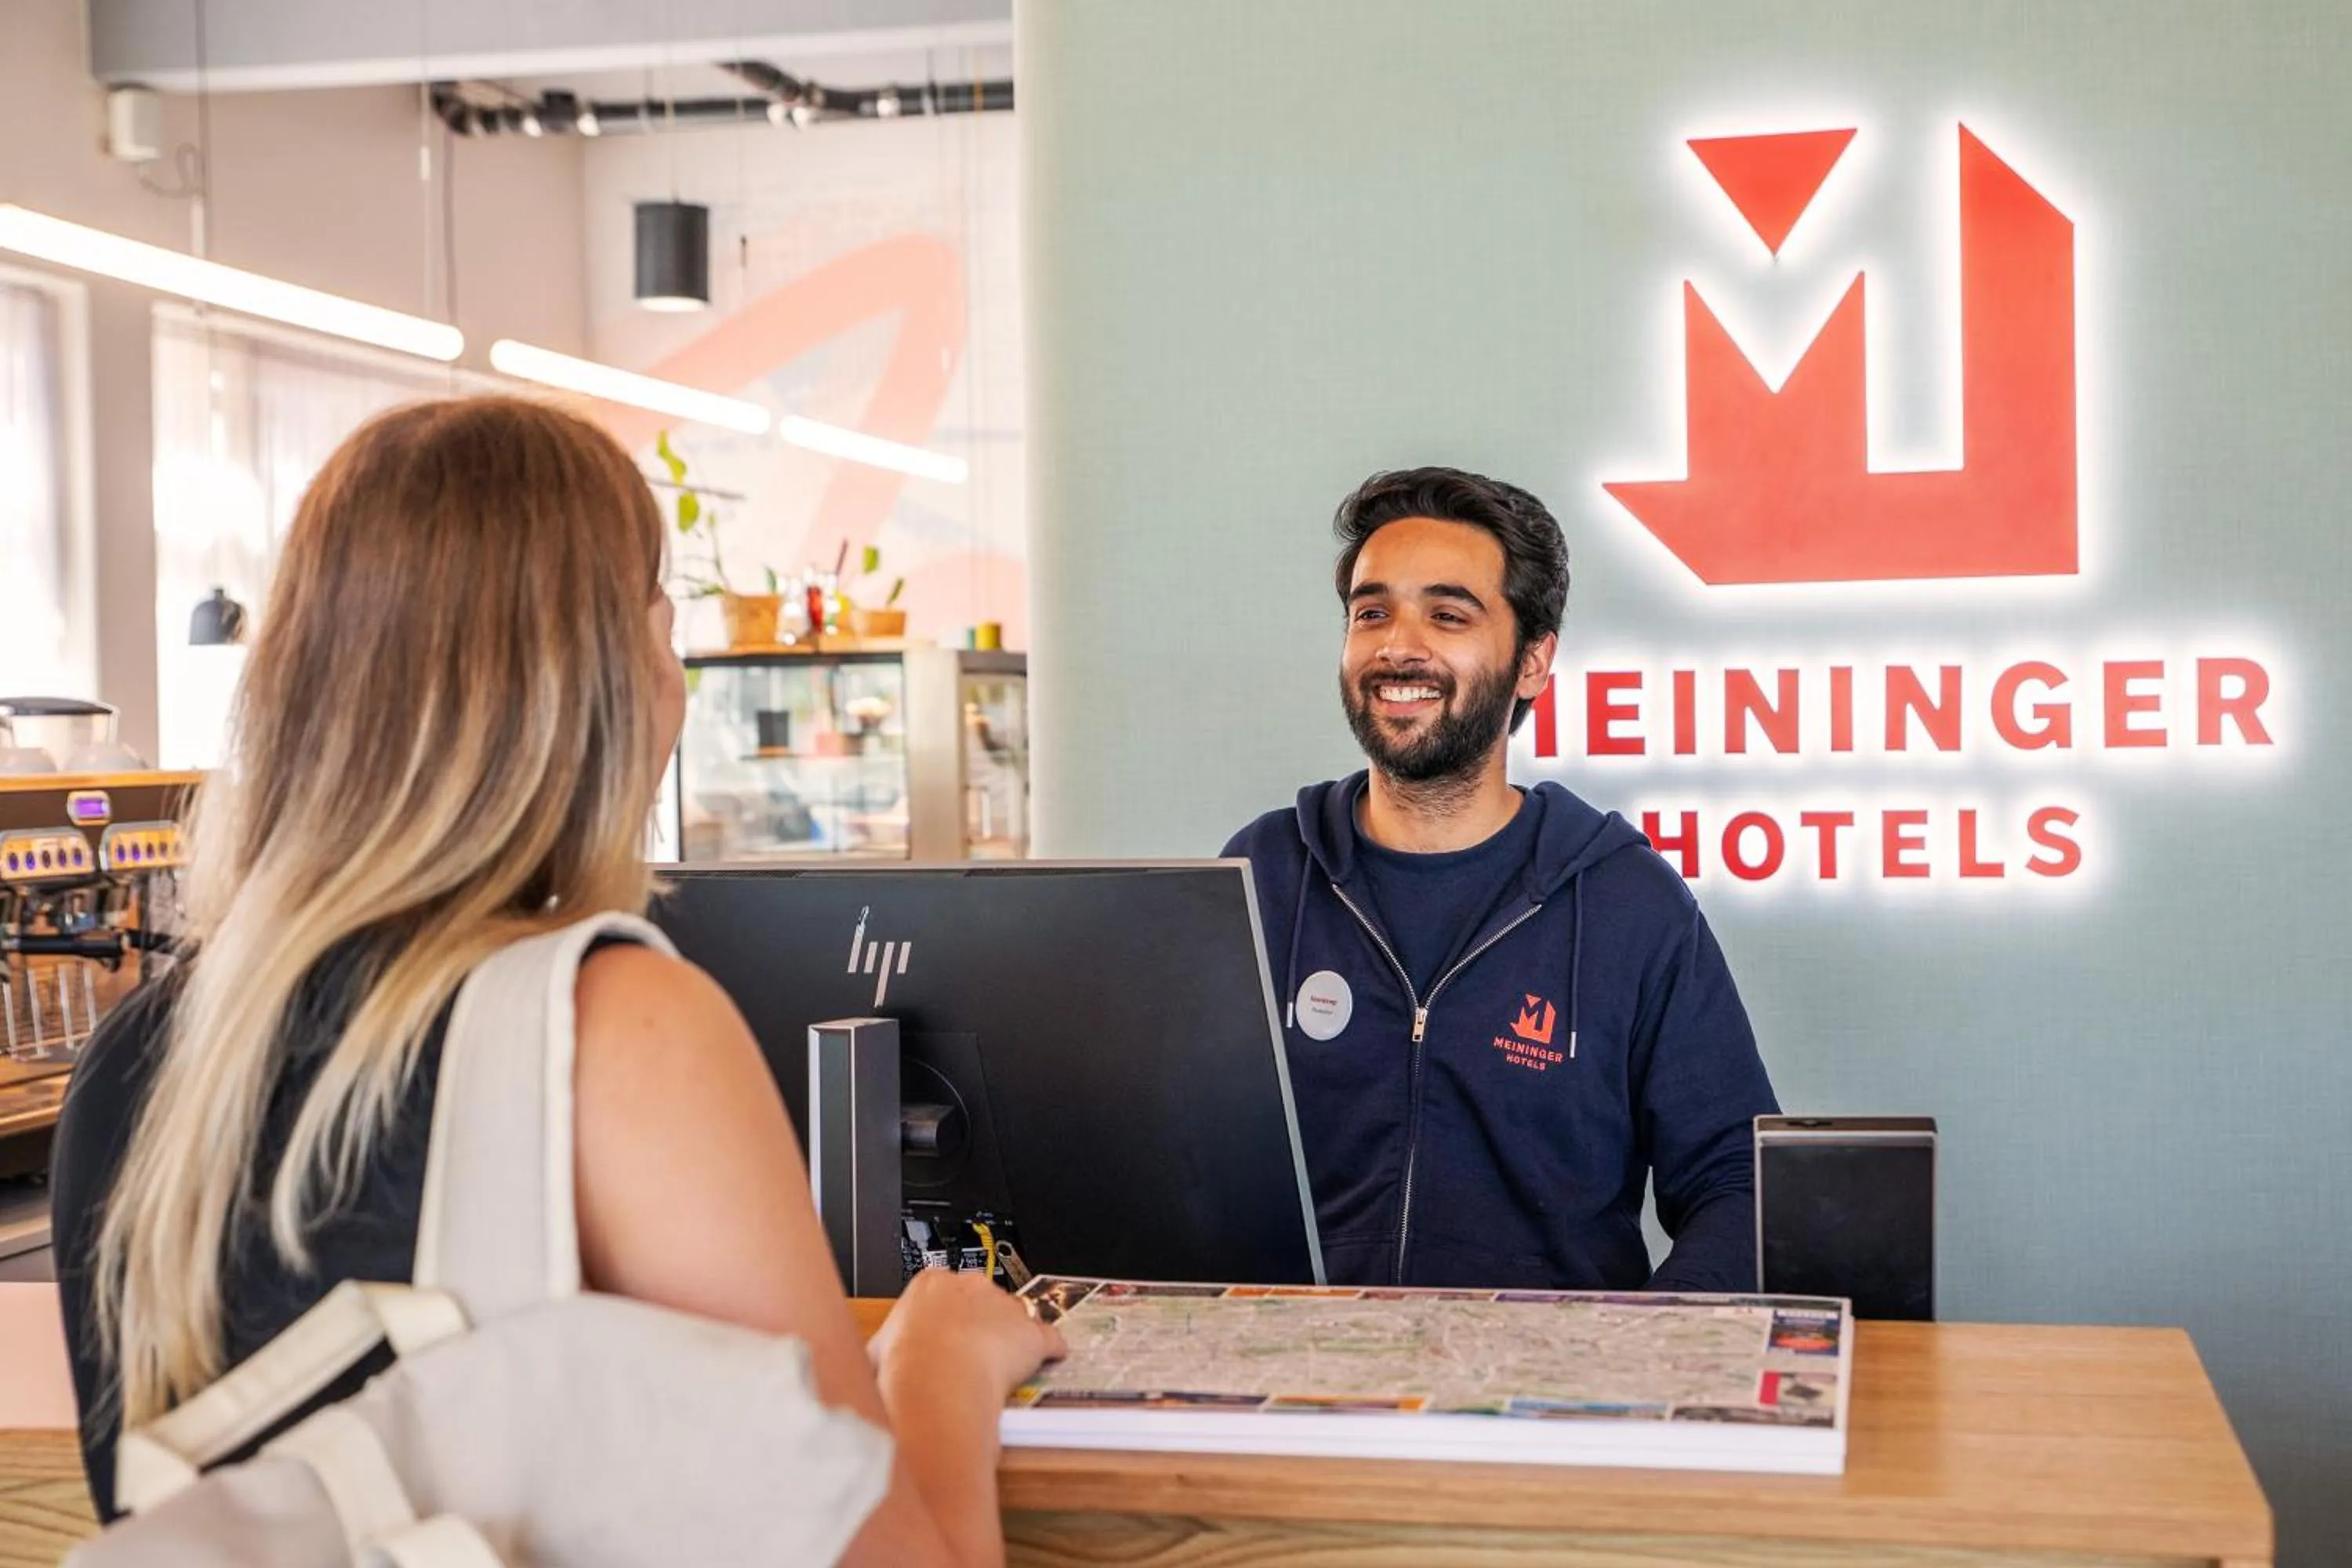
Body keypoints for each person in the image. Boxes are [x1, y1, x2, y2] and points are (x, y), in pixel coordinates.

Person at [49, 397, 1060, 1565]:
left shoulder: (135, 1064)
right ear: (612, 677)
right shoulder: (612, 1026)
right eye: (663, 630)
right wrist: (943, 1358)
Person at [1222, 466, 1778, 1293]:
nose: (1397, 644)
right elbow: (1186, 1154)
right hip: (1294, 1389)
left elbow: (1739, 1185)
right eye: (1371, 612)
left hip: (1546, 1401)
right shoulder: (1264, 874)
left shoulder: (1628, 902)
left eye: (1447, 614)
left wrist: (1637, 1357)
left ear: (1533, 662)